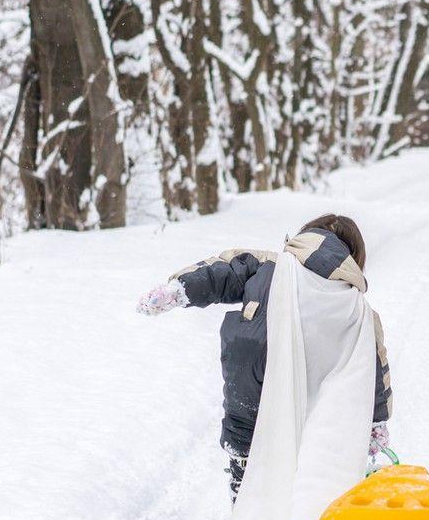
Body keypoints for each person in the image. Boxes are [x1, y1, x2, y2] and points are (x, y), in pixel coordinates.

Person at [136, 214, 394, 499]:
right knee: (310, 427)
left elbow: (225, 270)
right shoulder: (355, 305)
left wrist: (180, 289)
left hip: (249, 351)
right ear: (354, 255)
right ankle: (303, 490)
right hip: (306, 370)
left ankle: (242, 470)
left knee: (245, 420)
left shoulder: (271, 263)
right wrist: (375, 421)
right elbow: (372, 362)